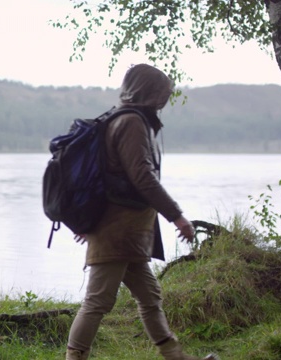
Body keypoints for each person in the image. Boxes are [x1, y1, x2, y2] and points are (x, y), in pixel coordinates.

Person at [65, 64, 218, 360]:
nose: (165, 99)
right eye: (162, 92)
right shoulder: (132, 122)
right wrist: (177, 216)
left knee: (150, 296)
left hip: (128, 231)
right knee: (97, 302)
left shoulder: (123, 118)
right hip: (118, 231)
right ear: (148, 92)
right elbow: (142, 177)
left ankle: (176, 356)